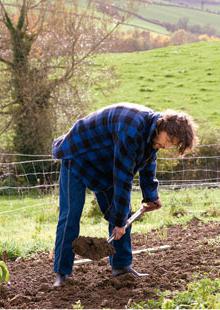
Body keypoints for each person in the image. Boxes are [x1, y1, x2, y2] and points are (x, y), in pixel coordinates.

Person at [52, 103, 197, 287]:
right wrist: (120, 222)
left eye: (172, 145)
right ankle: (62, 274)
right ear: (163, 125)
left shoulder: (153, 135)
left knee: (122, 212)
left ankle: (121, 268)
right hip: (78, 156)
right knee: (70, 216)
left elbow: (148, 161)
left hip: (104, 166)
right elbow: (123, 179)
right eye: (168, 139)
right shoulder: (132, 128)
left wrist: (150, 195)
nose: (167, 146)